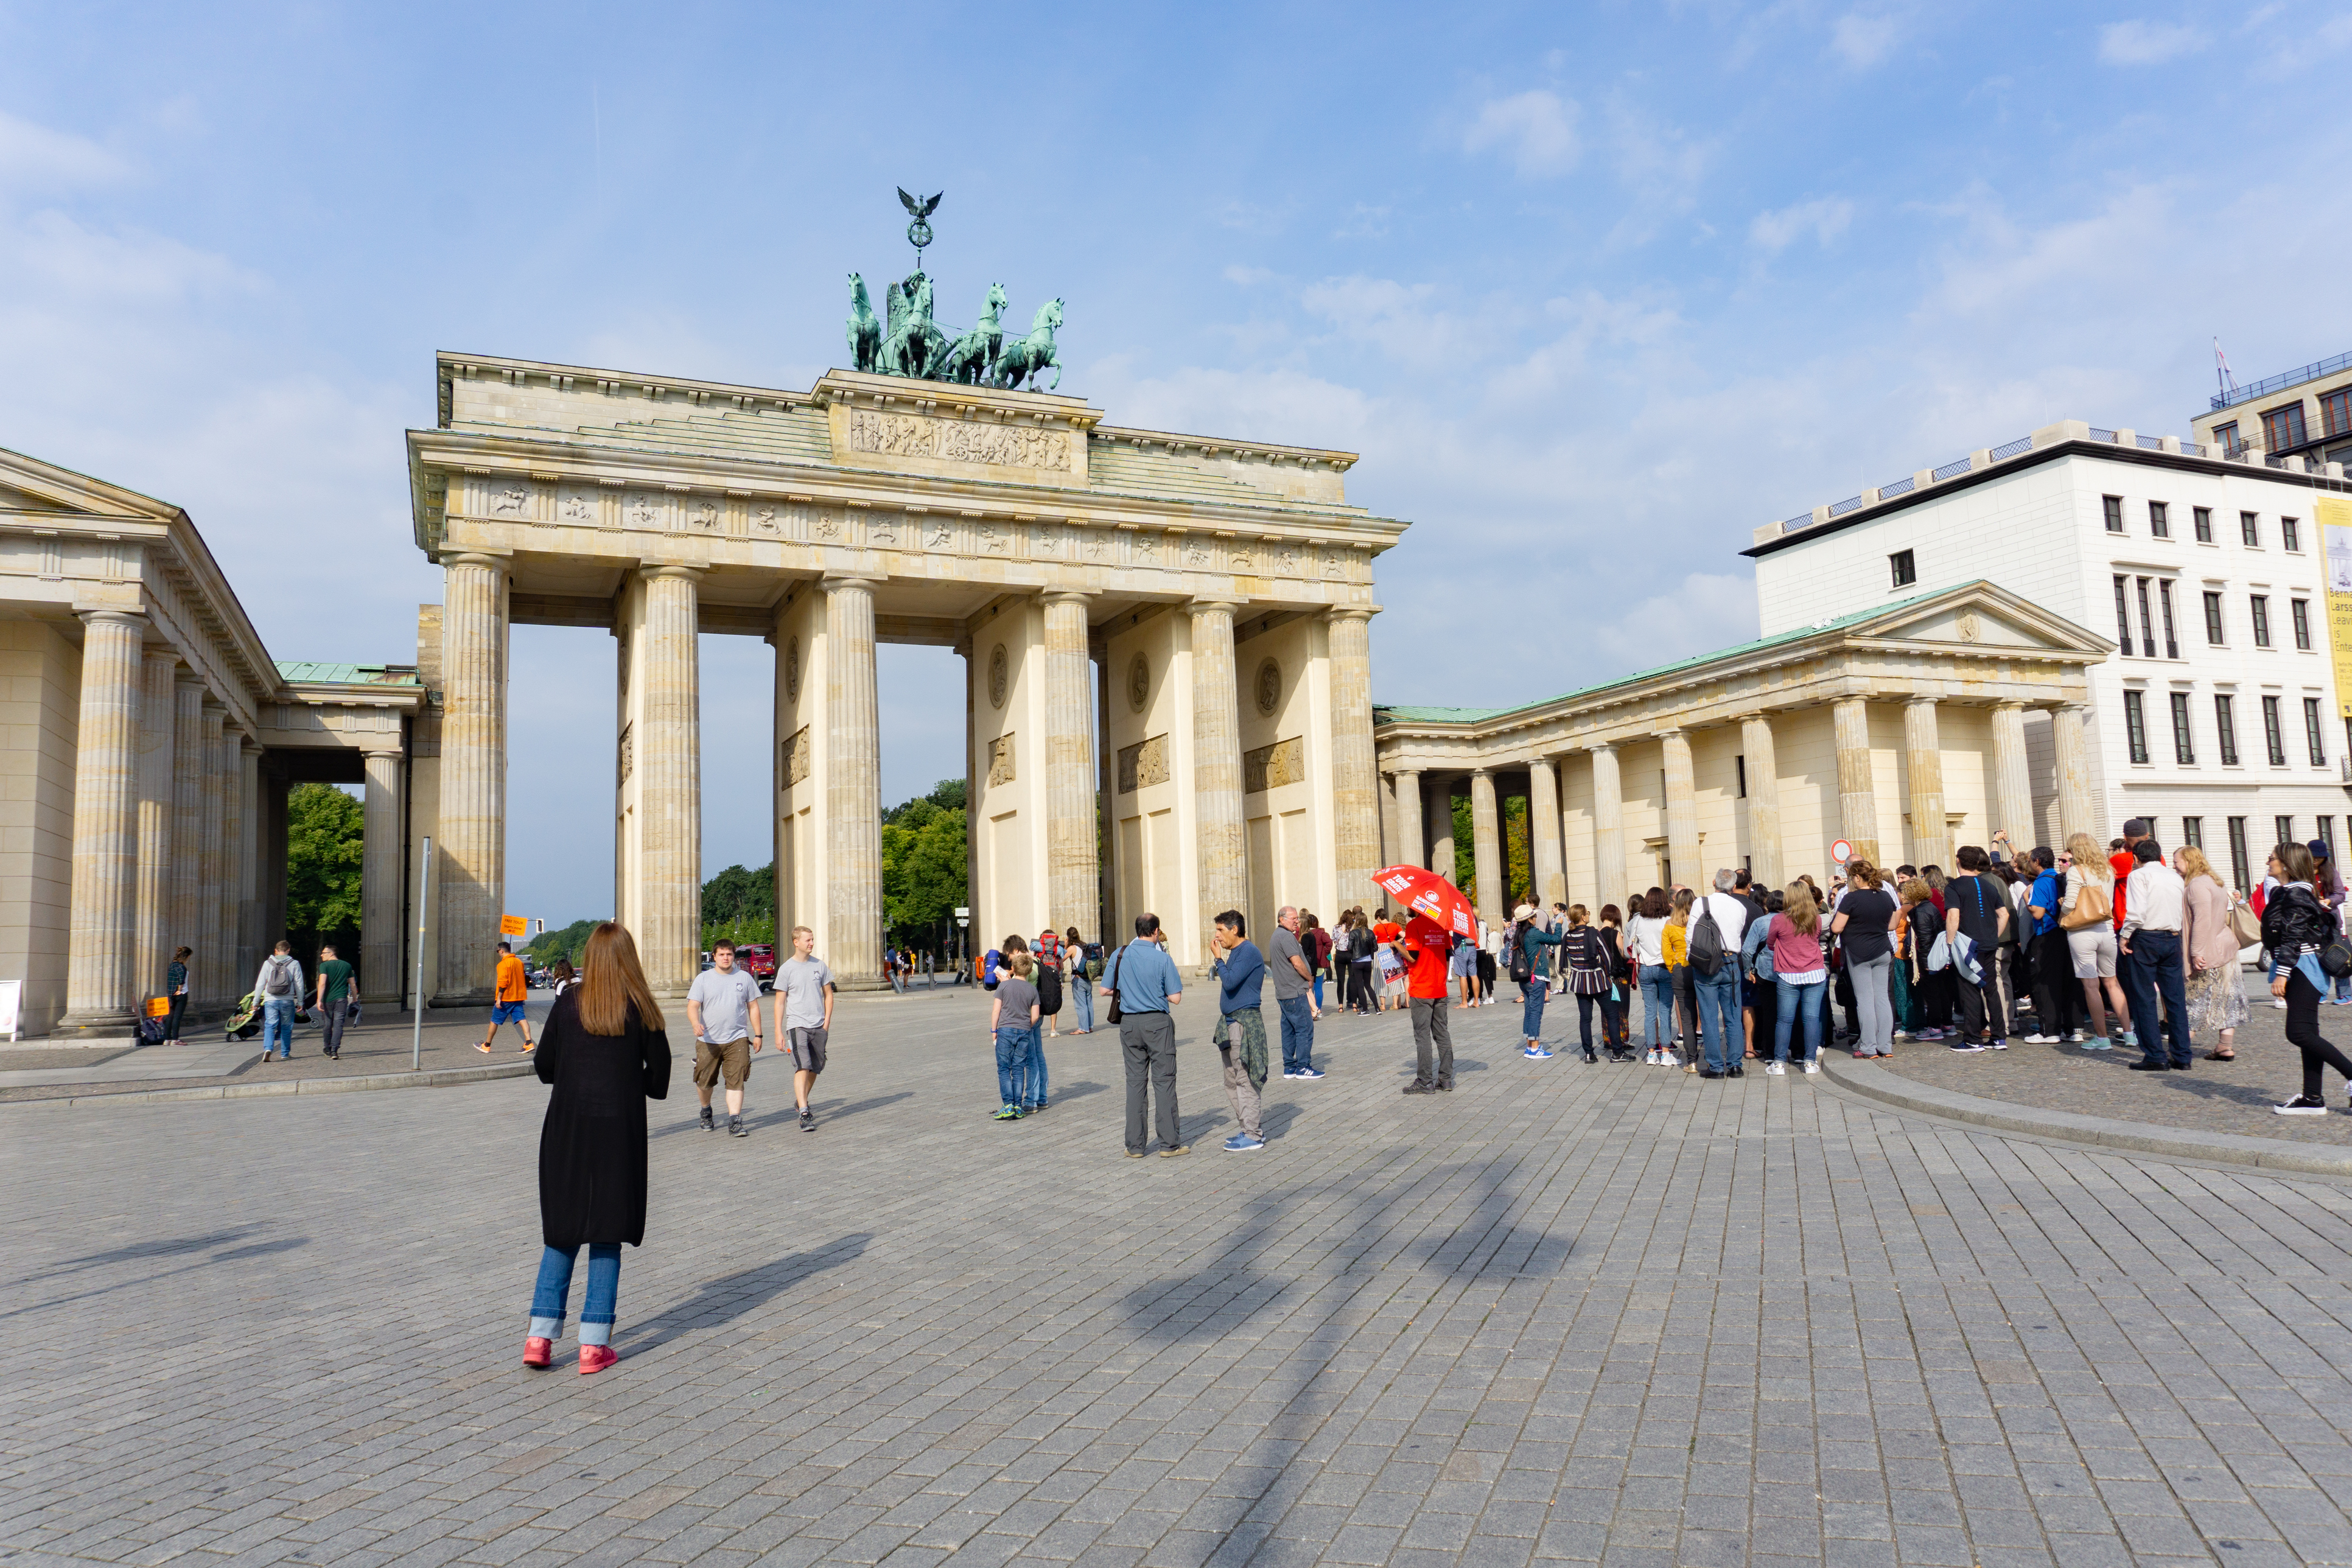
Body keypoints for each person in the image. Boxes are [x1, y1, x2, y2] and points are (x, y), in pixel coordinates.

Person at [523, 921, 670, 1376]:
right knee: (607, 1232)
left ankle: (539, 1339)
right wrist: (629, 1080)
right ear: (628, 958)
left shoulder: (568, 1002)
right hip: (617, 1131)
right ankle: (593, 1345)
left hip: (567, 1128)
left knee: (563, 1230)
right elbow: (660, 1080)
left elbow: (544, 1066)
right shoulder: (641, 1006)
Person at [2263, 842, 2352, 1113]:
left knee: (2298, 1032)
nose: (2268, 862)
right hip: (2300, 965)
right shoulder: (2289, 891)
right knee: (2308, 1033)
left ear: (2287, 864)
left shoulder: (2296, 894)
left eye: (2273, 858)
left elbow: (2292, 936)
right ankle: (2313, 1098)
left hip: (2302, 966)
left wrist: (2282, 973)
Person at [1109, 913, 1185, 1156]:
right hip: (1157, 1023)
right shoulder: (1162, 958)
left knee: (1135, 1083)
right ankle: (1169, 1144)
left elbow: (1104, 989)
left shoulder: (1119, 955)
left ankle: (1135, 1147)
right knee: (1163, 1082)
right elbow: (1176, 998)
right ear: (1156, 931)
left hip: (1129, 1024)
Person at [2119, 837, 2193, 1072]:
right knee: (2175, 999)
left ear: (2136, 858)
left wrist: (2125, 935)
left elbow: (2137, 912)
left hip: (2146, 937)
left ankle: (2155, 1055)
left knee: (2144, 998)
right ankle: (2182, 1055)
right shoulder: (2174, 877)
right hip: (2172, 936)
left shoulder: (2138, 876)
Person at [686, 937, 764, 1136]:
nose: (725, 958)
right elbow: (693, 1006)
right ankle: (706, 1110)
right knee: (704, 1082)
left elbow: (753, 1007)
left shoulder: (744, 978)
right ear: (714, 956)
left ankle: (735, 1120)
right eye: (721, 954)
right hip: (708, 1040)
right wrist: (696, 1023)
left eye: (729, 954)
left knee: (736, 1080)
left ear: (734, 956)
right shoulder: (703, 979)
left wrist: (758, 1034)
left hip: (737, 1038)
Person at [2058, 831, 2128, 1050]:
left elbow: (2070, 902)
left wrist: (2062, 915)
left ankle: (2102, 1037)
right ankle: (2129, 1034)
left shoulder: (2076, 871)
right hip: (2106, 929)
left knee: (2090, 986)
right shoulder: (2108, 869)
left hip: (2082, 931)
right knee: (2112, 982)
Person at [2178, 845, 2247, 1063]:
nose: (2174, 866)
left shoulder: (2197, 884)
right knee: (2227, 997)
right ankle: (2225, 1047)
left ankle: (2180, 1050)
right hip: (2225, 947)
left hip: (2208, 951)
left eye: (2177, 861)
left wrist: (2196, 952)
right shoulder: (2214, 881)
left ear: (2189, 862)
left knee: (2195, 999)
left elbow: (2202, 920)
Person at [1209, 911, 1269, 1151]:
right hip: (1230, 1023)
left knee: (1245, 1080)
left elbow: (1231, 981)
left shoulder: (1248, 952)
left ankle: (1253, 1135)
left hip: (1244, 1024)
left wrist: (1218, 960)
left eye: (1221, 930)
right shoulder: (1236, 952)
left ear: (1235, 929)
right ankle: (1246, 1128)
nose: (1217, 936)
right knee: (1232, 1080)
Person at [1943, 847, 2011, 1052]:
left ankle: (1973, 1040)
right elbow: (2004, 914)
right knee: (1991, 990)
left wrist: (1949, 943)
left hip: (1967, 946)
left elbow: (1954, 916)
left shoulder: (1954, 886)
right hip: (1989, 944)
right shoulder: (1988, 884)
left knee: (1970, 991)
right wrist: (1993, 936)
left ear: (1958, 861)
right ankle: (1999, 1037)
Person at [1830, 860, 1898, 1060]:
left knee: (1865, 1001)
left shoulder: (1851, 898)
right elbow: (1893, 925)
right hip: (1883, 950)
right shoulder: (1885, 896)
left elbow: (1836, 928)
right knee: (1882, 998)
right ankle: (1885, 1046)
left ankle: (1868, 1046)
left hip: (1859, 953)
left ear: (1858, 878)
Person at [772, 925, 834, 1131]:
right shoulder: (787, 969)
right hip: (796, 1025)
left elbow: (829, 995)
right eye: (808, 940)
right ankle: (804, 1112)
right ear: (796, 942)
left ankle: (801, 1101)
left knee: (816, 1068)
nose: (812, 943)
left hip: (818, 1025)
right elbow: (780, 1002)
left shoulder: (820, 965)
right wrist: (778, 1031)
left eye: (813, 939)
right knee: (803, 1066)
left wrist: (826, 1023)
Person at [1690, 870, 1749, 1077]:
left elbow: (1692, 935)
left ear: (1714, 882)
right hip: (1731, 962)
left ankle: (1715, 1066)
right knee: (1733, 1016)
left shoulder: (1701, 903)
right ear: (1734, 886)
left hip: (1707, 964)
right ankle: (1735, 1065)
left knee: (1708, 1017)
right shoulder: (1740, 907)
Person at [1765, 882, 1827, 1074]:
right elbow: (1815, 939)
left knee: (1785, 1020)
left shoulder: (1779, 919)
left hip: (1788, 973)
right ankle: (1810, 1062)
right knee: (1811, 1018)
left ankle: (1779, 1063)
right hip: (1815, 972)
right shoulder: (1815, 919)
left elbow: (1770, 943)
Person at [1398, 906, 1455, 1093]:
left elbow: (1412, 957)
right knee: (1442, 1034)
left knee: (1422, 1036)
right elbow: (1447, 957)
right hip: (1439, 987)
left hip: (1422, 988)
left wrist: (1397, 946)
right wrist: (1441, 979)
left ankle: (1425, 1081)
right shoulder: (1442, 926)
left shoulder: (1414, 926)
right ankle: (1446, 1079)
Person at [1269, 905, 1323, 1079]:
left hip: (1284, 992)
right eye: (1293, 919)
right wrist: (1309, 978)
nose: (1297, 921)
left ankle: (1289, 1067)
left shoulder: (1277, 936)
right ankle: (1303, 1066)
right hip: (1294, 991)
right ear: (1282, 919)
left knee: (1289, 1030)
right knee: (1305, 1028)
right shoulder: (1286, 937)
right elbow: (1297, 963)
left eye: (1297, 919)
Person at [987, 950, 1041, 1121]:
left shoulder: (1004, 986)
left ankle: (1007, 1105)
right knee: (1019, 1069)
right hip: (1024, 1032)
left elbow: (996, 1010)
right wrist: (1026, 1026)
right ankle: (1018, 1106)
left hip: (1005, 1030)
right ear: (1030, 971)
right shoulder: (1032, 990)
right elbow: (1035, 1016)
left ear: (1012, 968)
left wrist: (994, 1031)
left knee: (1004, 1069)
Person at [1558, 906, 1614, 1062]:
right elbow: (1607, 955)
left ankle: (1589, 1053)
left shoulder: (1568, 936)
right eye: (1587, 913)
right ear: (1583, 917)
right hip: (1597, 978)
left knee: (1585, 1018)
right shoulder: (1593, 932)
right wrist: (1608, 973)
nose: (1589, 916)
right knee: (1612, 1015)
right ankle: (1617, 1052)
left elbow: (1566, 960)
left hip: (1579, 980)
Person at [1627, 888, 1675, 1064]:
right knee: (1665, 1011)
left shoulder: (1638, 920)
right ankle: (1666, 1053)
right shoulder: (1667, 921)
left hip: (1645, 969)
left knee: (1649, 1012)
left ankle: (1651, 1054)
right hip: (1664, 968)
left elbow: (1629, 946)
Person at [1512, 911, 1563, 1059]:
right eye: (1534, 917)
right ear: (1530, 919)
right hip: (1536, 978)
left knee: (1529, 1012)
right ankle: (1535, 1049)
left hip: (1525, 978)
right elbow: (1556, 939)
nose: (1536, 918)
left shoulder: (1519, 934)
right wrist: (1558, 925)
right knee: (1536, 1013)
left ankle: (1529, 1046)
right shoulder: (1533, 933)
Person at [477, 941, 534, 1054]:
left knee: (495, 1020)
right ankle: (528, 1043)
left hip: (506, 998)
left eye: (498, 951)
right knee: (521, 1018)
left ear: (502, 950)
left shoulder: (503, 964)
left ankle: (486, 1045)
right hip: (518, 996)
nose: (498, 953)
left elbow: (503, 983)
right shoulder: (519, 962)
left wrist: (499, 999)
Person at [251, 940, 303, 1062]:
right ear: (288, 950)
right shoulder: (294, 963)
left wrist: (255, 1002)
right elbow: (299, 984)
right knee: (286, 1026)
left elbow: (260, 984)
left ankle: (268, 1048)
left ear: (276, 950)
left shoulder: (268, 963)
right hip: (287, 999)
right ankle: (285, 1053)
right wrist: (300, 1002)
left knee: (270, 1025)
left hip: (271, 999)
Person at [1664, 889, 1697, 1071]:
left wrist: (1673, 967)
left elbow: (1666, 953)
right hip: (1700, 968)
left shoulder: (1669, 925)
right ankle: (1714, 1058)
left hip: (1680, 969)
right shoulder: (1699, 922)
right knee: (1707, 1015)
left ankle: (1691, 1061)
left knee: (1687, 1018)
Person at [313, 942, 356, 1061]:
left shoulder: (324, 966)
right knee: (338, 1024)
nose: (322, 955)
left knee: (327, 1025)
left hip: (328, 1000)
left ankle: (327, 1048)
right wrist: (355, 999)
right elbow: (352, 984)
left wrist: (319, 999)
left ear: (331, 954)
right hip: (342, 999)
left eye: (324, 953)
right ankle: (334, 1050)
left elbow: (322, 983)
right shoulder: (347, 965)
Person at [1372, 908, 1405, 1009]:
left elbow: (1374, 940)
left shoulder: (1377, 927)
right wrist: (1397, 942)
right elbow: (1404, 935)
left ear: (1378, 917)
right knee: (1394, 976)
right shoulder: (1395, 926)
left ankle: (1382, 1005)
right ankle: (1395, 1004)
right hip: (1391, 949)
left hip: (1380, 950)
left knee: (1380, 977)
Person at [1065, 927, 1095, 1035]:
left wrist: (1065, 946)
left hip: (1079, 980)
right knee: (1089, 1003)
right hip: (1088, 979)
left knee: (1081, 1005)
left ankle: (1083, 1028)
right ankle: (1090, 1026)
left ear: (1068, 937)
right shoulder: (1084, 945)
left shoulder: (1072, 948)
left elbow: (1061, 959)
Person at [163, 943, 192, 1047]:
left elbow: (170, 980)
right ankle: (175, 1039)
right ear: (186, 956)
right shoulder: (181, 967)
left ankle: (167, 1039)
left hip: (171, 994)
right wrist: (179, 990)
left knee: (170, 1016)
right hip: (181, 994)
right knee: (177, 1017)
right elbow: (181, 980)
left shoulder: (172, 965)